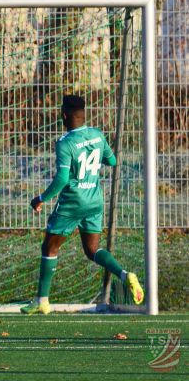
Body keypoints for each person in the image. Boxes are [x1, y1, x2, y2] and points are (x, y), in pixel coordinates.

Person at [22, 95, 144, 314]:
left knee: (49, 247)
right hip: (94, 200)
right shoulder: (97, 135)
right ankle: (125, 275)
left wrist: (40, 199)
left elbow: (61, 179)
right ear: (83, 114)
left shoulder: (65, 142)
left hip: (73, 202)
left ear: (64, 115)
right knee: (92, 250)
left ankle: (42, 300)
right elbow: (113, 160)